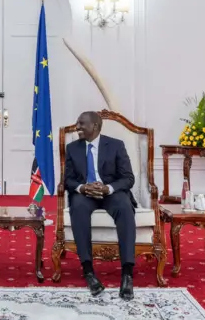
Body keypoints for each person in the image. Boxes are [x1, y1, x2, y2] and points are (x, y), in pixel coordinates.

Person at [64, 111, 137, 301]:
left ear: (95, 126)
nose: (77, 127)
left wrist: (108, 188)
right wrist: (82, 187)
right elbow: (68, 180)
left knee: (125, 206)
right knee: (77, 207)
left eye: (81, 124)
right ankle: (88, 270)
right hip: (85, 194)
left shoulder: (115, 145)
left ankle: (127, 273)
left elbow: (128, 178)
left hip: (110, 193)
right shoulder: (72, 148)